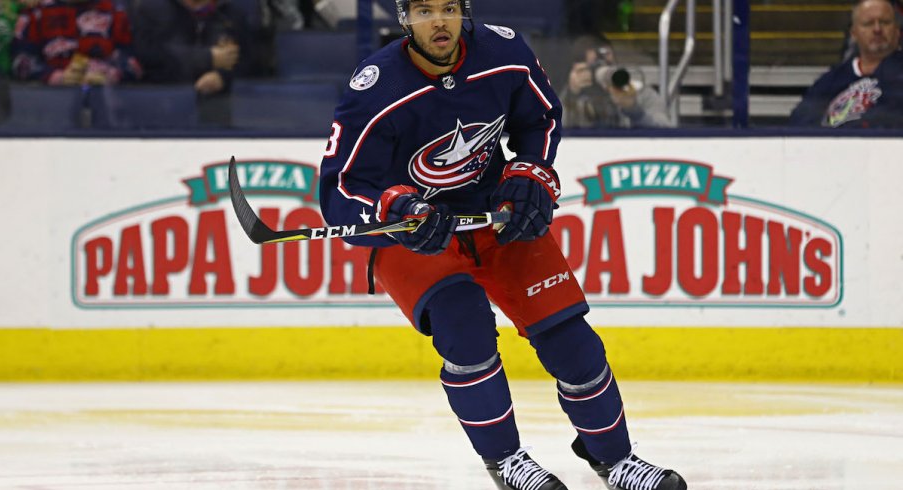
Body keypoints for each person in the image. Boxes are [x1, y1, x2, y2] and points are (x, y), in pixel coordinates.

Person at [318, 1, 687, 489]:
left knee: (574, 344)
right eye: (425, 11)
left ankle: (615, 461)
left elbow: (541, 119)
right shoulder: (376, 86)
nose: (439, 22)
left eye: (449, 7)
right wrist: (399, 209)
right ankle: (508, 461)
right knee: (466, 330)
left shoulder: (505, 52)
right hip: (415, 235)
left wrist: (529, 169)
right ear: (405, 18)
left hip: (496, 217)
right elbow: (341, 187)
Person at [791, 0, 903, 128]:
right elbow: (800, 122)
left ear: (897, 31)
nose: (877, 29)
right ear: (854, 33)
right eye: (868, 24)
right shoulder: (831, 80)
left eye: (884, 22)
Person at [130, 0, 254, 96]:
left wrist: (222, 77)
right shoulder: (151, 9)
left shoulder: (231, 14)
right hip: (162, 102)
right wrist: (206, 58)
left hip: (219, 108)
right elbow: (148, 57)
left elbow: (246, 62)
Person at [10, 0, 143, 85]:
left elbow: (133, 63)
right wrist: (57, 77)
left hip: (108, 103)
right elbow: (20, 62)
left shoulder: (116, 11)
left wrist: (112, 74)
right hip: (51, 103)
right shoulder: (35, 11)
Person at [559, 34, 673, 129]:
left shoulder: (637, 91)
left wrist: (634, 110)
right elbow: (549, 133)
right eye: (594, 67)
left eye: (608, 65)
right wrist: (571, 96)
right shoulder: (568, 96)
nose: (602, 71)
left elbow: (667, 132)